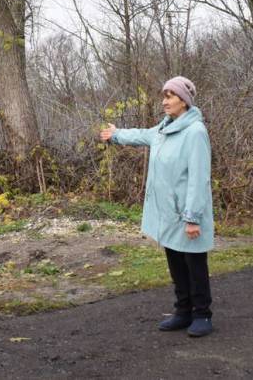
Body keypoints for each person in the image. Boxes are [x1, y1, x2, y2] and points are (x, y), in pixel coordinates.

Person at [99, 76, 215, 337]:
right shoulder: (164, 129)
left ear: (184, 101)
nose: (164, 101)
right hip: (168, 213)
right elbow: (141, 135)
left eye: (170, 96)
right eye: (164, 96)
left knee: (194, 264)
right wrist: (116, 134)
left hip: (188, 214)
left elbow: (199, 178)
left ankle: (202, 314)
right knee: (176, 262)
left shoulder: (195, 132)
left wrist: (193, 217)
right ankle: (183, 311)